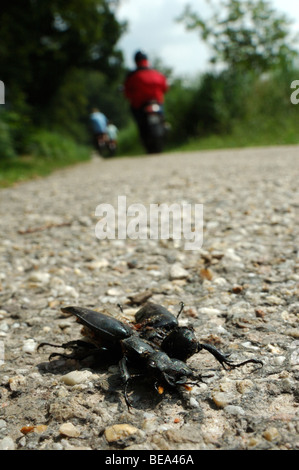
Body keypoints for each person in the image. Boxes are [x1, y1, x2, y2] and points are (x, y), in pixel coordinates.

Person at [124, 51, 169, 146]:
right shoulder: (156, 73)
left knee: (139, 119)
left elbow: (127, 92)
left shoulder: (132, 76)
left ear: (135, 61)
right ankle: (164, 124)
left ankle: (142, 132)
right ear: (146, 60)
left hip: (140, 104)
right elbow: (165, 87)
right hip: (157, 101)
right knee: (162, 113)